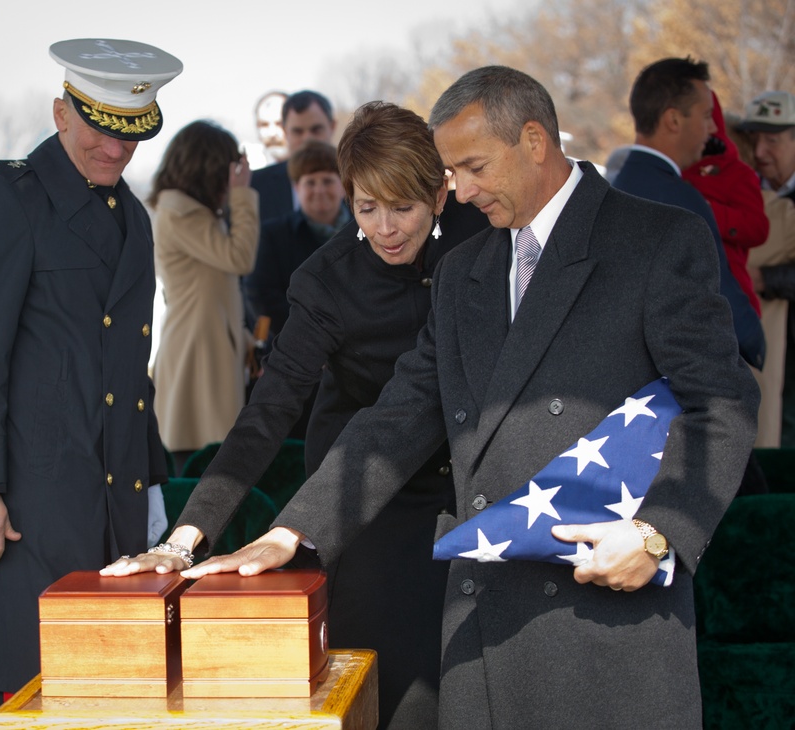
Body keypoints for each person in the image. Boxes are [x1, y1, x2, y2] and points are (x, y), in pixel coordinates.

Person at [176, 66, 760, 729]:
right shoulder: (463, 272)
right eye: (451, 172)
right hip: (483, 627)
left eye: (472, 167)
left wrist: (659, 534)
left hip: (603, 622)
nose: (460, 189)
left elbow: (722, 403)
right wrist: (293, 531)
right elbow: (396, 417)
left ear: (534, 140)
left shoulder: (656, 239)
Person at [103, 101, 490, 730]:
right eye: (367, 208)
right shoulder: (326, 280)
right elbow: (268, 413)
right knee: (398, 693)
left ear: (440, 195)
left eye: (404, 208)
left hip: (471, 487)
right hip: (364, 502)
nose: (386, 228)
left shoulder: (485, 236)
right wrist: (183, 538)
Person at [0, 38, 180, 728]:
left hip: (113, 506)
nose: (115, 150)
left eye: (131, 135)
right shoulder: (6, 202)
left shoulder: (130, 215)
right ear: (60, 114)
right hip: (24, 507)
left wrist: (152, 487)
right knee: (23, 693)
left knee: (111, 694)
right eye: (100, 128)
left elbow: (131, 369)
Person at [611, 57, 766, 371]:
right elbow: (719, 294)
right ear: (673, 120)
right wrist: (757, 344)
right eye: (706, 116)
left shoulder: (618, 187)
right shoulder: (679, 199)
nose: (712, 129)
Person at [150, 120, 259, 474]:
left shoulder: (194, 215)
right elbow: (240, 257)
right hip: (195, 353)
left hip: (206, 347)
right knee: (198, 466)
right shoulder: (179, 214)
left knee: (212, 462)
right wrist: (243, 196)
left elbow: (217, 289)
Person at [244, 140, 350, 340]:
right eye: (310, 182)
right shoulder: (273, 235)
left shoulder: (366, 230)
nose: (319, 190)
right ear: (296, 187)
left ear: (344, 185)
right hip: (298, 349)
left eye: (327, 181)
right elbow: (261, 296)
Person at [739, 90, 795, 446]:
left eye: (772, 141)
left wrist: (762, 277)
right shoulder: (748, 195)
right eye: (754, 140)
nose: (760, 152)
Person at [682, 89, 769, 314]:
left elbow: (757, 227)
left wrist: (708, 211)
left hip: (729, 297)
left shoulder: (736, 173)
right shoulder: (665, 170)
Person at [251, 90, 337, 223]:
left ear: (332, 127)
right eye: (298, 131)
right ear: (285, 132)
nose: (307, 139)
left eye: (316, 130)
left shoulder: (359, 180)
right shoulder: (255, 188)